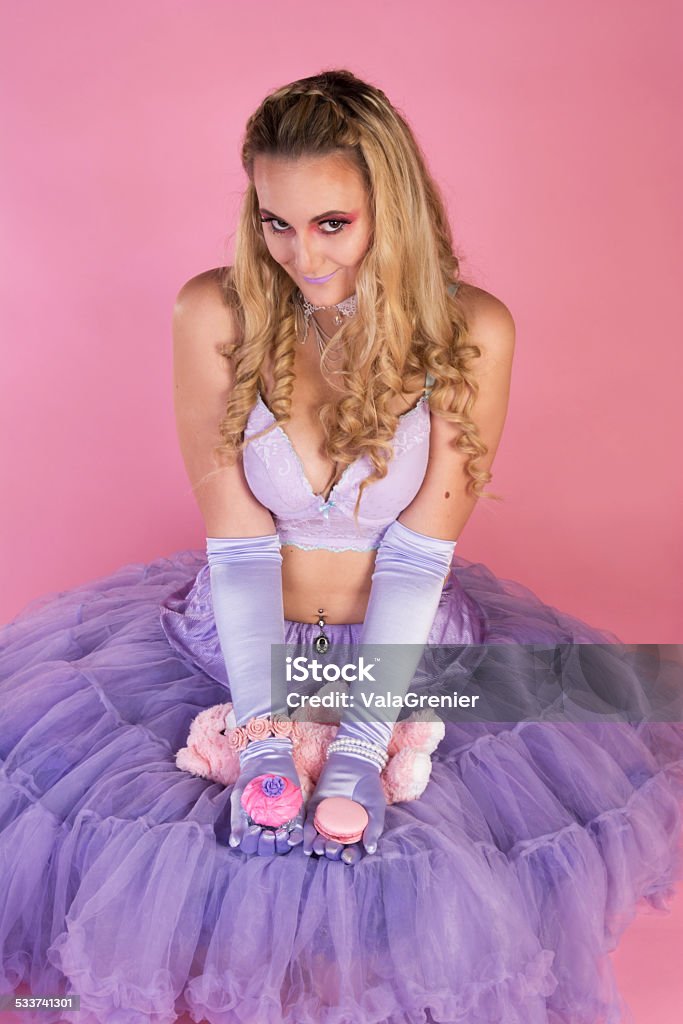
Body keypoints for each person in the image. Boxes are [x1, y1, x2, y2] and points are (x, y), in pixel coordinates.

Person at [1, 68, 682, 1024]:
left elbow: (416, 554)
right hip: (228, 642)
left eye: (332, 223)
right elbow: (237, 548)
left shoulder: (470, 332)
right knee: (201, 892)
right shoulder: (217, 313)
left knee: (406, 900)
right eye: (276, 222)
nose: (299, 254)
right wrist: (268, 728)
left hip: (407, 644)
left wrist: (361, 742)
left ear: (390, 210)